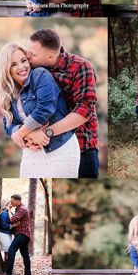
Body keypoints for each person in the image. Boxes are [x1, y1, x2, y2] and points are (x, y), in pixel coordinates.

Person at [0, 42, 80, 178]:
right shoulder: (9, 93)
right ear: (6, 69)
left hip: (60, 148)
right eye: (14, 64)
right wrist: (31, 134)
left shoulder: (40, 75)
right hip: (32, 152)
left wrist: (20, 134)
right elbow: (8, 125)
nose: (22, 67)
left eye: (24, 61)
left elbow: (45, 109)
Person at [24, 29, 99, 178]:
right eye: (27, 51)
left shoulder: (80, 67)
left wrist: (46, 133)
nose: (27, 57)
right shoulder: (30, 70)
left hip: (81, 147)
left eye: (32, 54)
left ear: (50, 56)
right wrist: (25, 135)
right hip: (41, 150)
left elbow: (84, 111)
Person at [3, 194, 31, 275]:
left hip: (22, 234)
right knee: (25, 255)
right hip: (24, 235)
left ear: (18, 200)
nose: (11, 202)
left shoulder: (22, 209)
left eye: (12, 201)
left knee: (11, 250)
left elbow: (12, 220)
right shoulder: (18, 209)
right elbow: (14, 219)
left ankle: (8, 273)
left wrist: (8, 210)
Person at [0, 200, 14, 267]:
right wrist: (13, 226)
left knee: (8, 252)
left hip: (8, 234)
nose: (12, 203)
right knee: (7, 252)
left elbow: (13, 219)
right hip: (3, 234)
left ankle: (7, 269)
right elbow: (3, 225)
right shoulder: (4, 213)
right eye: (10, 202)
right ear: (6, 204)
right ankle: (6, 270)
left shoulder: (9, 213)